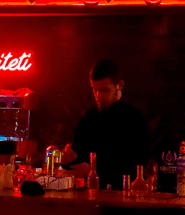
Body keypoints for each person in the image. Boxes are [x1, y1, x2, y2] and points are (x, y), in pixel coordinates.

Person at [62, 59, 149, 190]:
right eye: (94, 90)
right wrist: (67, 159)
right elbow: (77, 159)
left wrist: (93, 171)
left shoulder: (134, 119)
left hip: (121, 199)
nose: (98, 96)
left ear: (119, 85)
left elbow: (135, 166)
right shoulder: (88, 117)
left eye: (104, 90)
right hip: (87, 197)